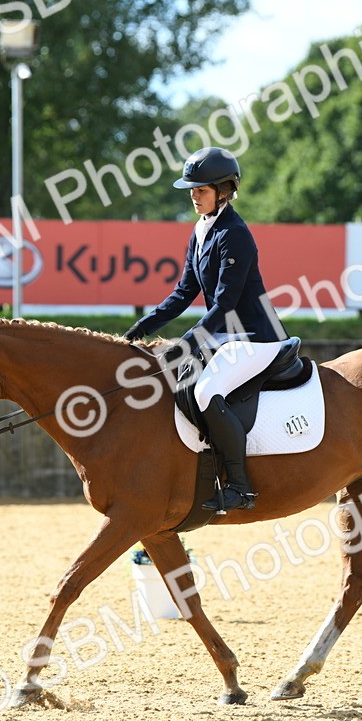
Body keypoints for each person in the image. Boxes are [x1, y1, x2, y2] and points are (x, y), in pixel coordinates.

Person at [124, 146, 288, 511]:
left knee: (205, 391)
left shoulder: (235, 234)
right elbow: (183, 293)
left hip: (256, 337)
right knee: (179, 382)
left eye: (201, 190)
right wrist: (138, 329)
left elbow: (225, 304)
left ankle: (241, 487)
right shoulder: (201, 231)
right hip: (227, 335)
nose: (193, 196)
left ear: (224, 190)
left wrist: (187, 342)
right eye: (192, 190)